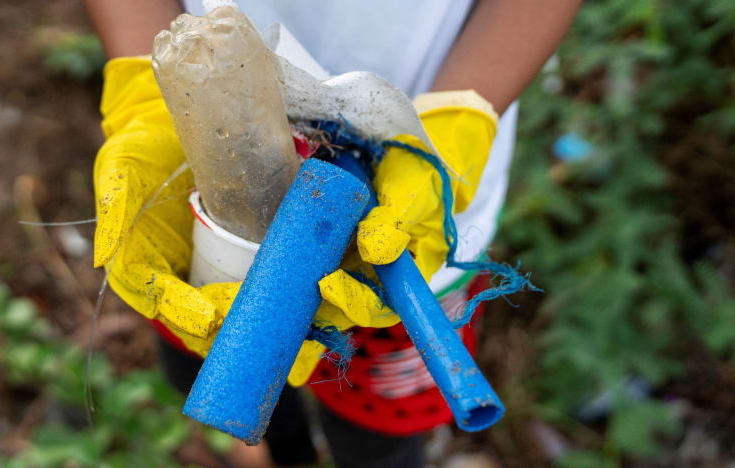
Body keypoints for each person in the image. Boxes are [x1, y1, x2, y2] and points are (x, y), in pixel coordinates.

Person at [84, 1, 581, 467]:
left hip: (413, 204)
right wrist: (143, 95)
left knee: (377, 435)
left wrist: (463, 110)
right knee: (221, 353)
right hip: (206, 148)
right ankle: (284, 450)